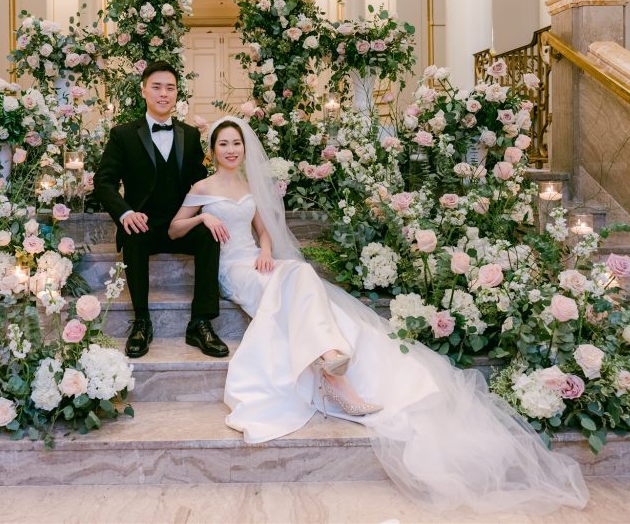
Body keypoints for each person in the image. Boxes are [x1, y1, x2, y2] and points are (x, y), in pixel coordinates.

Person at [168, 116, 590, 514]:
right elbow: (173, 229)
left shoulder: (245, 185)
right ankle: (333, 373)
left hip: (258, 262)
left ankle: (330, 362)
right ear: (212, 150)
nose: (230, 149)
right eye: (223, 143)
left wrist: (265, 247)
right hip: (232, 269)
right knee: (297, 275)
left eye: (236, 143)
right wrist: (203, 217)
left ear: (243, 149)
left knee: (297, 272)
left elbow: (262, 228)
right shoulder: (202, 187)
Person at [93, 62, 229, 359]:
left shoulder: (190, 135)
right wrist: (126, 213)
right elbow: (103, 182)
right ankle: (142, 320)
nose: (164, 94)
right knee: (133, 235)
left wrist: (210, 211)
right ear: (144, 90)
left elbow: (199, 181)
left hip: (181, 224)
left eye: (170, 88)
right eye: (157, 87)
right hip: (144, 224)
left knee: (210, 234)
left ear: (177, 93)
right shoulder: (123, 134)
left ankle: (201, 322)